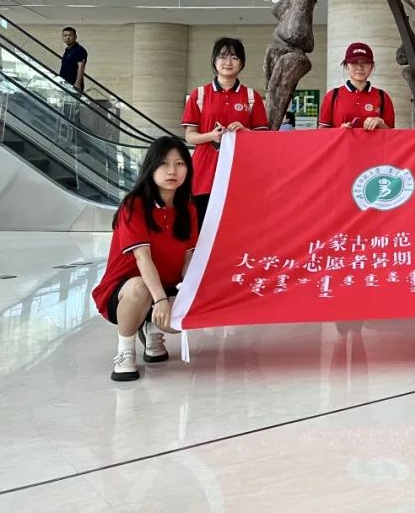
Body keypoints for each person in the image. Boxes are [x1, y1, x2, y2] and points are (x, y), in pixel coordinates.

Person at [91, 136, 198, 381]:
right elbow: (142, 259)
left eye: (180, 164)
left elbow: (187, 260)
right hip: (125, 290)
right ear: (151, 167)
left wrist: (193, 294)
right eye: (164, 163)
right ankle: (125, 351)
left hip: (165, 285)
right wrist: (160, 300)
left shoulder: (188, 210)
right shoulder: (134, 205)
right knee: (141, 288)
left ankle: (151, 326)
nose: (172, 171)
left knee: (186, 315)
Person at [182, 37, 269, 225]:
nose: (228, 62)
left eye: (234, 57)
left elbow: (263, 138)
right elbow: (190, 136)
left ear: (242, 63)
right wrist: (211, 136)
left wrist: (245, 131)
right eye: (222, 56)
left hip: (241, 172)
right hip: (204, 174)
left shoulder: (252, 97)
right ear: (214, 61)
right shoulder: (200, 94)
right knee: (202, 226)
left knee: (238, 225)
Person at [318, 42, 396, 130]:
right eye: (354, 62)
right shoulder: (332, 96)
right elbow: (321, 132)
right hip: (342, 140)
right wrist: (339, 131)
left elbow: (392, 134)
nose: (360, 67)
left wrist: (380, 123)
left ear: (371, 66)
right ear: (346, 66)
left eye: (365, 62)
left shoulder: (383, 96)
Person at [58, 26, 87, 90]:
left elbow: (81, 66)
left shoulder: (79, 50)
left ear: (75, 37)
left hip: (73, 84)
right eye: (65, 35)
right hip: (64, 83)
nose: (67, 38)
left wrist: (77, 83)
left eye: (70, 35)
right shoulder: (67, 51)